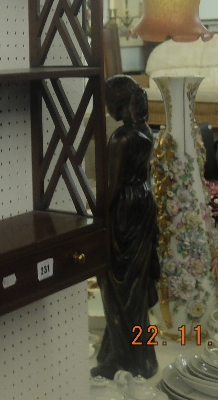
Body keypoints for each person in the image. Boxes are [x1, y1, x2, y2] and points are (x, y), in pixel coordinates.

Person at [92, 75, 159, 380]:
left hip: (123, 217)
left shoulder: (122, 138)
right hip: (143, 206)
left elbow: (112, 187)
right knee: (134, 290)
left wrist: (96, 222)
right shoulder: (145, 131)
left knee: (117, 289)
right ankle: (135, 356)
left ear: (117, 103)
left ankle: (124, 359)